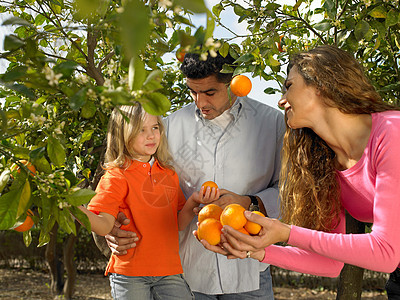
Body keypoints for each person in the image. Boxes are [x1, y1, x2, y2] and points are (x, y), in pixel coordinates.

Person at [198, 45, 400, 299]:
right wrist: (254, 250)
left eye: (289, 86)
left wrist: (286, 233)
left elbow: (385, 252)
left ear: (321, 84)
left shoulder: (392, 132)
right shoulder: (324, 162)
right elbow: (329, 264)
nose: (282, 100)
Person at [104, 51, 286, 299]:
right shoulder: (168, 126)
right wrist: (110, 229)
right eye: (193, 92)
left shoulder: (272, 123)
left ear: (233, 82)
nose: (200, 103)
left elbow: (287, 189)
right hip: (185, 273)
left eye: (210, 92)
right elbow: (133, 182)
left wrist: (249, 202)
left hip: (249, 267)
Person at [79, 104, 219, 300]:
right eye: (141, 130)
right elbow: (103, 226)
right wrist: (72, 207)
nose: (151, 135)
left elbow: (177, 223)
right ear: (123, 134)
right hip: (130, 274)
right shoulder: (116, 177)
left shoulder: (168, 174)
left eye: (155, 127)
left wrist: (193, 201)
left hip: (169, 271)